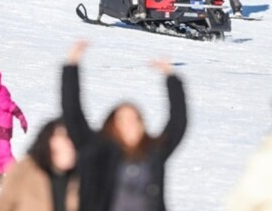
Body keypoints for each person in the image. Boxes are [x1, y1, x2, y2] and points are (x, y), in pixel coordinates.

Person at [61, 41, 187, 211]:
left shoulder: (154, 152)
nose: (129, 124)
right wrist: (71, 66)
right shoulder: (96, 150)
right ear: (111, 124)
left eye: (134, 118)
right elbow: (72, 113)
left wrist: (171, 78)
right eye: (122, 119)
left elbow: (177, 123)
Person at [0, 118, 79, 211]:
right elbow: (1, 207)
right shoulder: (24, 172)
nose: (69, 143)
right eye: (64, 137)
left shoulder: (84, 176)